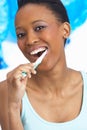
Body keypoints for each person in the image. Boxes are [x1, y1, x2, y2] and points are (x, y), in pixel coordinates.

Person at [0, 0, 87, 129]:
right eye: (21, 34)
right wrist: (14, 105)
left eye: (39, 28)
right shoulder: (8, 90)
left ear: (65, 30)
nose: (30, 40)